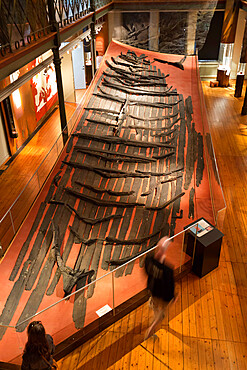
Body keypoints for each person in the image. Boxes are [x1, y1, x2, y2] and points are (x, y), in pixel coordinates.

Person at [144, 236, 177, 340]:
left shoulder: (149, 260)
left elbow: (146, 272)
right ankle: (149, 332)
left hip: (152, 289)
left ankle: (152, 305)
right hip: (161, 294)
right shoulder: (168, 270)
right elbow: (170, 286)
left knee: (154, 303)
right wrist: (173, 297)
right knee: (161, 315)